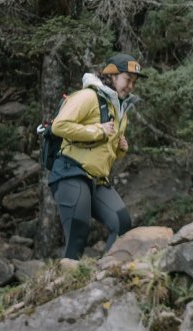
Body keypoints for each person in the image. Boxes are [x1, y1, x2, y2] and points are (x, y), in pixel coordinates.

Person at [47, 53, 144, 260]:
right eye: (128, 80)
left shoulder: (120, 111)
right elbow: (59, 126)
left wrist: (120, 149)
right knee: (78, 231)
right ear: (113, 75)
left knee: (122, 224)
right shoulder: (87, 96)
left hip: (97, 180)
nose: (131, 87)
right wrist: (97, 131)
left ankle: (107, 274)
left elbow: (106, 152)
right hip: (70, 172)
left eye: (134, 82)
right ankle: (69, 284)